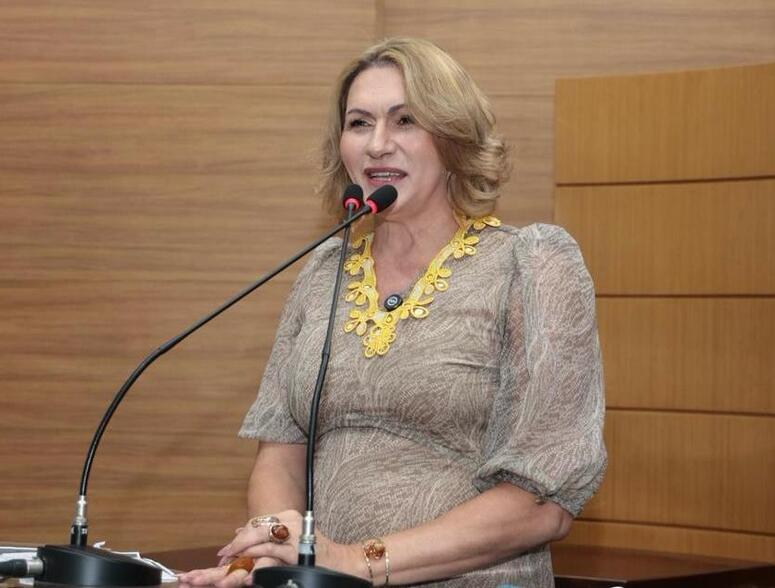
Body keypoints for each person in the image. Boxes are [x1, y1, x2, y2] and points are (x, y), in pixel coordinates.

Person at [179, 37, 606, 588]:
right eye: (359, 123)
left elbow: (542, 503)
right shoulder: (325, 271)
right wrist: (273, 554)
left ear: (453, 137)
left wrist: (355, 562)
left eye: (405, 121)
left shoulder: (531, 265)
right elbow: (280, 453)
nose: (378, 144)